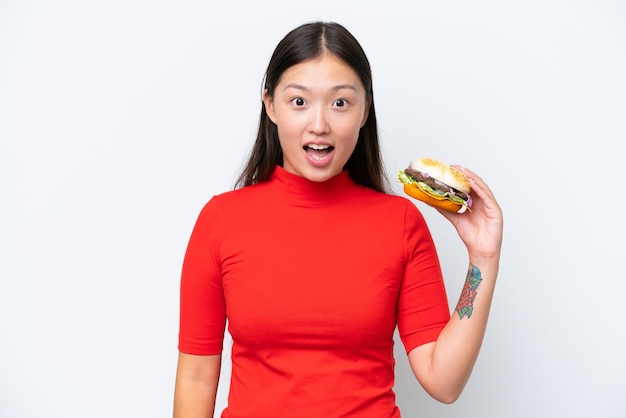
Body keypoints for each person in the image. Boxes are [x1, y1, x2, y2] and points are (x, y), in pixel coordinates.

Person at [173, 21, 503, 418]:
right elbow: (195, 376)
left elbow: (444, 382)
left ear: (365, 111)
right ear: (270, 105)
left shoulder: (400, 223)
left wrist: (482, 258)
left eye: (340, 103)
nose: (319, 125)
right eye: (299, 102)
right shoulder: (220, 221)